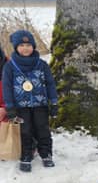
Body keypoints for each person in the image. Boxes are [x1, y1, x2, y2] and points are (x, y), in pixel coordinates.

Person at [1, 30, 58, 171]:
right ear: (16, 47)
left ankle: (46, 153)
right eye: (21, 45)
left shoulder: (42, 64)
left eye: (28, 45)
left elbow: (50, 83)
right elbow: (6, 87)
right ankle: (26, 155)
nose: (25, 48)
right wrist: (10, 106)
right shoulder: (10, 66)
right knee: (25, 130)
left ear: (33, 46)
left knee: (42, 129)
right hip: (20, 107)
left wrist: (54, 102)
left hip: (40, 105)